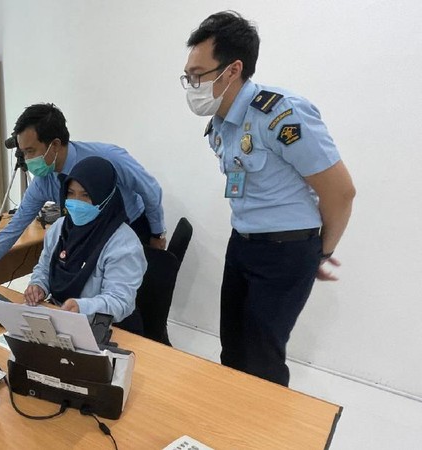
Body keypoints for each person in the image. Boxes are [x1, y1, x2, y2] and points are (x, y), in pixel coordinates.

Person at [182, 11, 356, 386]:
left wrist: (320, 253)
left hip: (286, 251)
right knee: (232, 350)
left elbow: (341, 192)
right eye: (188, 77)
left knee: (262, 359)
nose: (192, 86)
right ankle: (232, 418)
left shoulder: (281, 114)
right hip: (242, 244)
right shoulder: (220, 123)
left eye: (198, 75)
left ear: (233, 70)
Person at [0, 103, 166, 262]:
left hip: (132, 229)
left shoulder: (108, 157)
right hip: (89, 236)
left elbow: (150, 190)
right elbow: (17, 224)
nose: (26, 159)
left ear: (55, 145)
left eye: (30, 151)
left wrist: (157, 233)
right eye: (23, 152)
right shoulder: (43, 180)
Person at [24, 157, 146, 332]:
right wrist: (38, 285)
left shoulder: (124, 244)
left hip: (107, 327)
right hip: (61, 318)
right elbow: (44, 267)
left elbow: (120, 301)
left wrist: (81, 307)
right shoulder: (60, 227)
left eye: (86, 195)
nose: (76, 202)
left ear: (104, 197)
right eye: (70, 193)